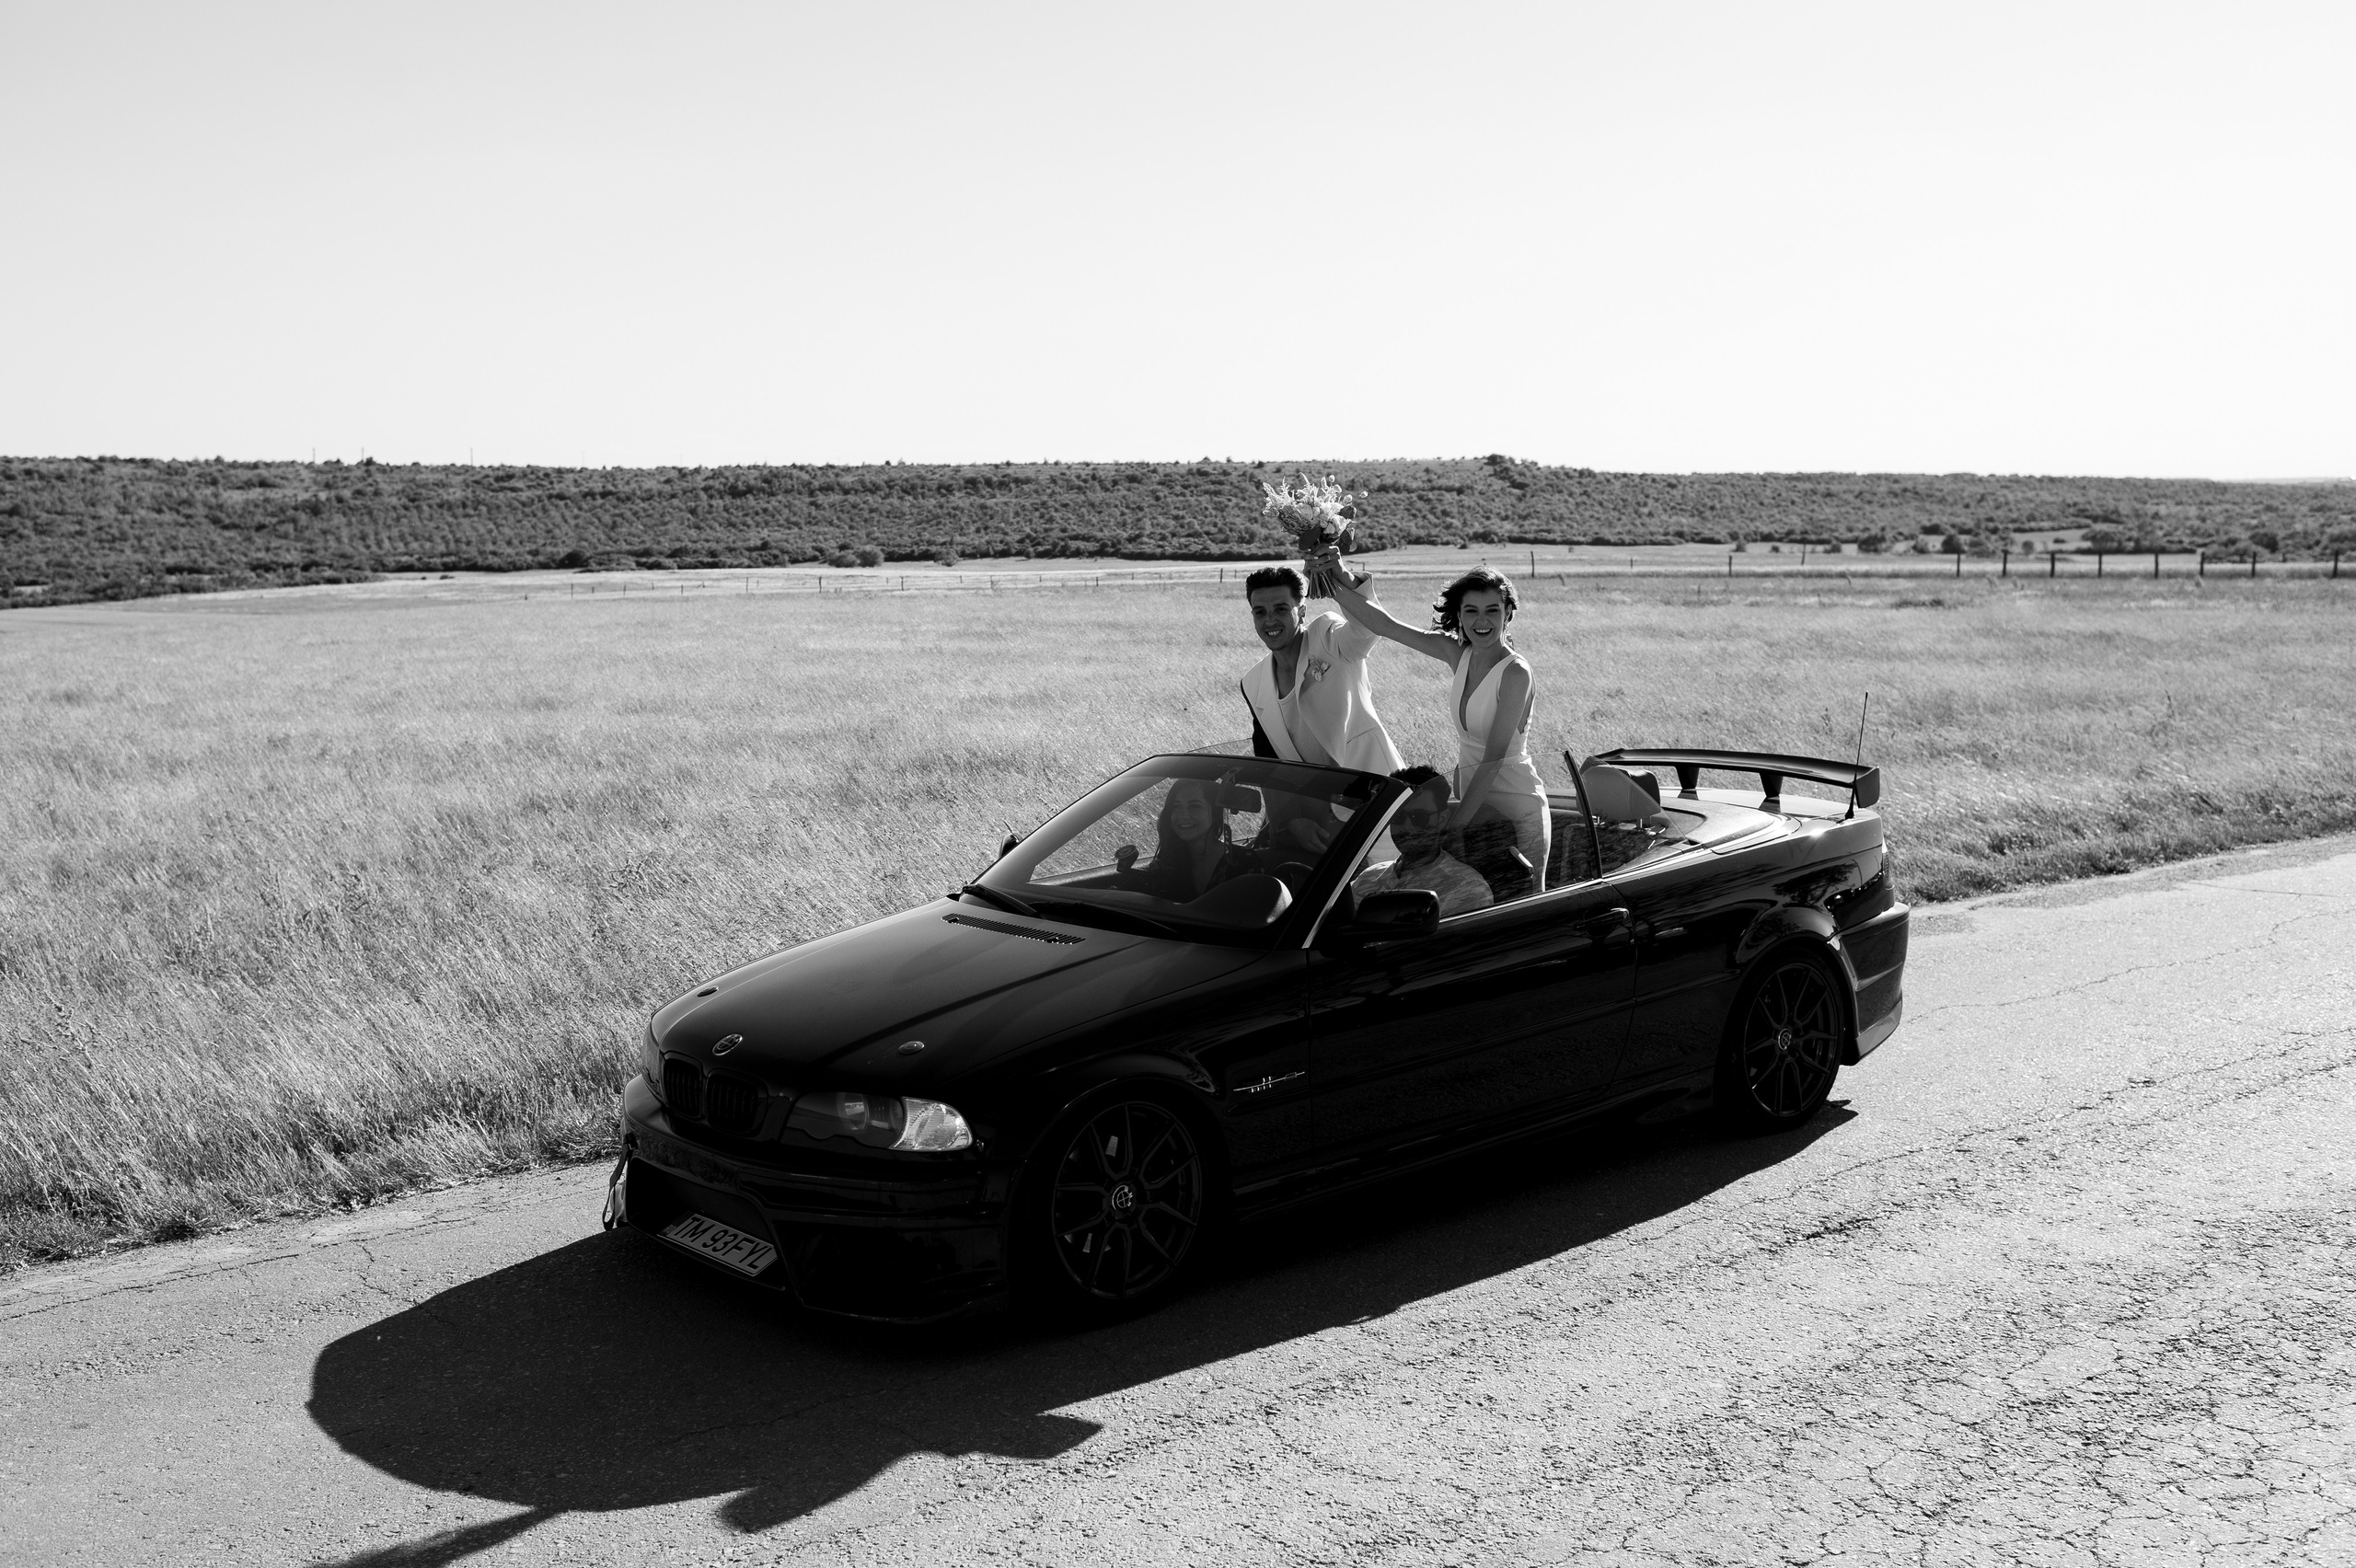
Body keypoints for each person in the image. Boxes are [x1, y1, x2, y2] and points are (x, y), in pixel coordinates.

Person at [1311, 557, 1551, 894]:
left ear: (1508, 614)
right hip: (1470, 797)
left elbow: (1495, 757)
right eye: (1471, 611)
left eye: (1492, 611)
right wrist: (1328, 578)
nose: (1482, 621)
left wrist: (1457, 825)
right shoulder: (1457, 654)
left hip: (1515, 801)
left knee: (1522, 900)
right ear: (1460, 615)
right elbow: (1385, 625)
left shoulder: (1516, 672)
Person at [1238, 564, 1405, 853]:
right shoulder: (1253, 683)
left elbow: (1366, 630)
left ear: (1301, 612)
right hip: (1318, 822)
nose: (1270, 621)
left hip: (1380, 800)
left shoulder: (1328, 635)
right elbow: (1270, 765)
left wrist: (1338, 573)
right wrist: (1291, 821)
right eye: (1260, 612)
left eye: (1281, 609)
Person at [1349, 767, 1493, 917]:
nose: (1406, 827)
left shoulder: (1466, 889)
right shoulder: (1367, 877)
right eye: (1398, 816)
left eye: (1419, 818)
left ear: (1442, 819)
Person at [1115, 778, 1257, 902]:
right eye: (1176, 807)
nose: (1183, 815)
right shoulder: (1165, 864)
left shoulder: (1245, 862)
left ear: (1214, 813)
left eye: (1195, 806)